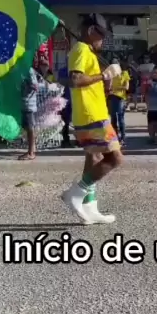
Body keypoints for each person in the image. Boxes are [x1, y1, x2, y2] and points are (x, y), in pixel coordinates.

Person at [62, 14, 123, 224]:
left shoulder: (85, 51)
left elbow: (84, 83)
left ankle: (90, 207)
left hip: (90, 113)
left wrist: (105, 83)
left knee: (94, 158)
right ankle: (75, 193)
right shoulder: (81, 49)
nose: (102, 40)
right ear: (90, 31)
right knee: (115, 159)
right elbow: (76, 79)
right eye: (101, 35)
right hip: (92, 115)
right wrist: (104, 75)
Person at [18, 63, 41, 160]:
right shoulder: (24, 70)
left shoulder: (29, 71)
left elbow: (35, 86)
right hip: (25, 104)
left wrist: (26, 86)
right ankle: (32, 149)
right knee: (28, 128)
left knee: (30, 128)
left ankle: (31, 153)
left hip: (28, 104)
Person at [107, 58, 129, 148]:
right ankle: (115, 137)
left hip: (120, 98)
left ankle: (123, 138)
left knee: (120, 118)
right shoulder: (110, 74)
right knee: (113, 118)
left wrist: (115, 89)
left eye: (116, 64)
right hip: (111, 97)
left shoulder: (124, 73)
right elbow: (108, 86)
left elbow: (126, 87)